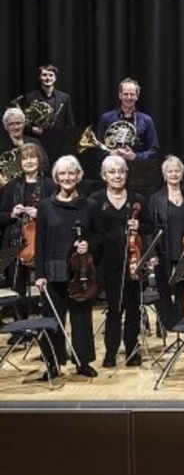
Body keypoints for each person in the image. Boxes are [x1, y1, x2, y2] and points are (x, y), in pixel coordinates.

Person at [34, 155, 98, 379]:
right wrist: (39, 274)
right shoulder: (45, 207)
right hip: (54, 269)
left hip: (80, 271)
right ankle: (53, 363)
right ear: (56, 178)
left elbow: (99, 236)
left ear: (79, 176)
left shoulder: (89, 205)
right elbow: (39, 242)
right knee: (53, 319)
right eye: (62, 174)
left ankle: (83, 362)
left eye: (72, 173)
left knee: (82, 318)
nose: (67, 177)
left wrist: (88, 243)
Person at [89, 154, 150, 367]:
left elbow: (150, 229)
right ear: (104, 175)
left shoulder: (137, 200)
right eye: (112, 172)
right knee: (115, 309)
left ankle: (133, 351)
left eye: (122, 171)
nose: (117, 175)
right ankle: (110, 353)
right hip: (108, 263)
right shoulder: (95, 200)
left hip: (133, 261)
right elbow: (92, 233)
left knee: (133, 309)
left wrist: (139, 228)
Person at [0, 143, 55, 319]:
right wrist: (12, 214)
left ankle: (48, 323)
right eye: (25, 158)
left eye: (32, 157)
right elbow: (1, 216)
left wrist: (41, 214)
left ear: (39, 160)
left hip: (43, 240)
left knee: (46, 281)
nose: (29, 161)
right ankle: (20, 328)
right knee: (17, 285)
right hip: (15, 241)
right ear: (19, 162)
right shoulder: (10, 186)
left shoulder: (50, 185)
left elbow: (58, 215)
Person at [146, 155, 184, 328]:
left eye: (176, 171)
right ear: (164, 175)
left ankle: (179, 322)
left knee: (181, 288)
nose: (173, 174)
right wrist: (152, 254)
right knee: (163, 288)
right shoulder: (156, 199)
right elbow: (149, 228)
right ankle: (164, 322)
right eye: (169, 171)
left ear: (182, 174)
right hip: (163, 249)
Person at [95, 78, 161, 161]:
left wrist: (135, 156)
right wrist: (110, 153)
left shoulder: (147, 120)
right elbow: (98, 149)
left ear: (137, 96)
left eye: (132, 94)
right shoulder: (106, 118)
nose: (129, 97)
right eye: (125, 94)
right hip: (112, 166)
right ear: (120, 95)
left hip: (138, 168)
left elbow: (154, 151)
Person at [22, 64, 75, 136]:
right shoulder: (30, 97)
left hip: (59, 138)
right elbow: (24, 122)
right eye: (44, 75)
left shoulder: (65, 98)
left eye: (51, 75)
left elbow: (70, 123)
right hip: (38, 139)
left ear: (55, 78)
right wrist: (33, 129)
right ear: (39, 78)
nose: (48, 78)